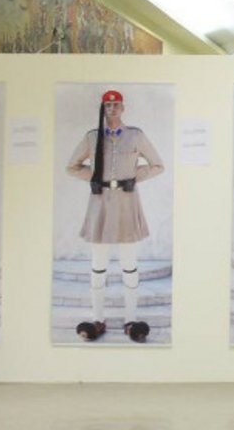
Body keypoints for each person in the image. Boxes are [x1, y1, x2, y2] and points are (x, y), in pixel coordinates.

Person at [66, 90, 164, 343]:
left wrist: (134, 177)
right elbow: (72, 166)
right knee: (98, 266)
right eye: (108, 105)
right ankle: (97, 319)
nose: (112, 109)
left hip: (126, 202)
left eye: (116, 104)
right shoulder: (92, 137)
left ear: (123, 108)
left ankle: (131, 319)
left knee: (129, 265)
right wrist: (94, 178)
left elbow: (157, 165)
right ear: (103, 108)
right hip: (100, 203)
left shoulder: (135, 135)